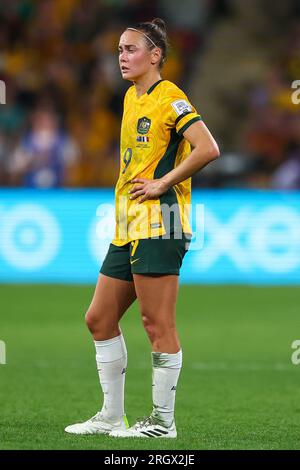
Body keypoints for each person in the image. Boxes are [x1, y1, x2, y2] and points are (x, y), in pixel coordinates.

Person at [65, 18, 219, 439]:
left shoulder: (170, 98)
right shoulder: (132, 98)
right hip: (128, 224)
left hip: (162, 222)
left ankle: (163, 423)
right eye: (119, 50)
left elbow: (208, 147)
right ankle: (112, 415)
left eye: (131, 49)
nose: (122, 57)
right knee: (98, 318)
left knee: (157, 323)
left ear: (156, 55)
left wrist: (163, 182)